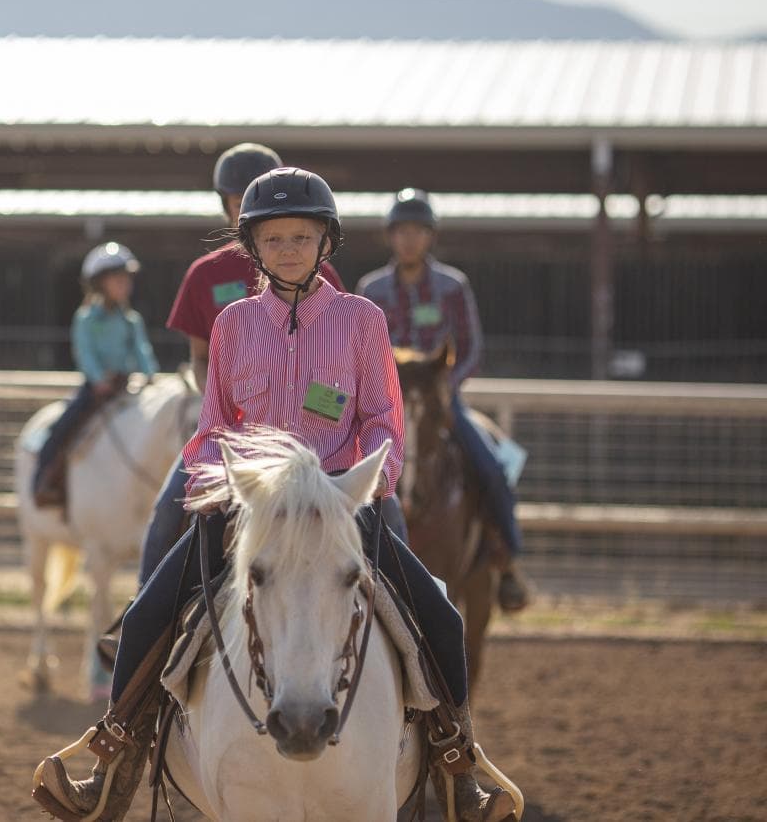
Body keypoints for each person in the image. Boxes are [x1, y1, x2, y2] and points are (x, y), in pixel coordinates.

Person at [32, 169, 516, 822]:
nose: (288, 248)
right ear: (252, 246)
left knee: (441, 617)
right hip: (251, 506)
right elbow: (213, 428)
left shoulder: (360, 321)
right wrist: (216, 484)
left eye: (302, 236)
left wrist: (367, 483)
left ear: (326, 243)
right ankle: (113, 756)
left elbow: (382, 419)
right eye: (274, 238)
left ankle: (458, 766)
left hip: (347, 502)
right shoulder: (233, 325)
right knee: (149, 611)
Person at [137, 143, 344, 582]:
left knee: (390, 512)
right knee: (164, 516)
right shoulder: (204, 275)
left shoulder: (320, 273)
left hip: (316, 431)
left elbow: (343, 366)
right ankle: (141, 633)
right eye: (239, 203)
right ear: (229, 206)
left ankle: (414, 615)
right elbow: (199, 359)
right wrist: (223, 405)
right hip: (232, 426)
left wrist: (319, 412)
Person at [356, 189, 530, 612]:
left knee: (494, 463)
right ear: (390, 237)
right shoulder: (371, 289)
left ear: (430, 236)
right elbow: (360, 349)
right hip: (386, 409)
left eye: (417, 231)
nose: (409, 239)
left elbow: (470, 347)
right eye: (401, 231)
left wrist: (445, 388)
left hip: (441, 402)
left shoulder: (453, 287)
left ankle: (507, 559)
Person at [32, 242, 160, 506]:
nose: (125, 284)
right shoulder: (87, 318)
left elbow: (142, 350)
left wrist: (150, 375)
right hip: (96, 388)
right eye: (117, 278)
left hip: (126, 387)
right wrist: (99, 379)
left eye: (127, 278)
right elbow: (85, 353)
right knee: (62, 427)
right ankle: (43, 480)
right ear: (100, 283)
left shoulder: (131, 320)